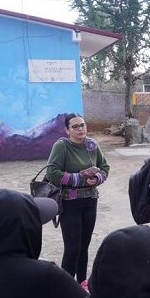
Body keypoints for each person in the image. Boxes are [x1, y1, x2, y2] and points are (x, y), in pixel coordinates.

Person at [45, 113, 110, 283]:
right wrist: (79, 179)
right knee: (72, 249)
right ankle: (65, 286)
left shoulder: (92, 144)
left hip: (90, 202)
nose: (80, 129)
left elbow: (104, 167)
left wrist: (96, 179)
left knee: (84, 247)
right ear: (67, 130)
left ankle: (82, 284)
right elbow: (51, 173)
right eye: (75, 126)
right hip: (69, 203)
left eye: (82, 125)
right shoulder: (61, 147)